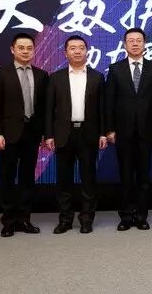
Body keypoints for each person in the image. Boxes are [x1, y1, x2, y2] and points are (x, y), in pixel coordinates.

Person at [45, 35, 107, 234]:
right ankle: (65, 219)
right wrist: (49, 135)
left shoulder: (97, 77)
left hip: (89, 134)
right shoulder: (56, 77)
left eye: (81, 47)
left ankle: (87, 219)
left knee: (88, 179)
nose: (78, 51)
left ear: (87, 51)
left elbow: (102, 109)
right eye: (73, 48)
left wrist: (103, 133)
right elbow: (49, 109)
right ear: (65, 53)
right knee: (64, 180)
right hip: (64, 134)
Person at [0, 32, 49, 237]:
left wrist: (44, 133)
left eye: (29, 48)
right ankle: (8, 221)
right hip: (8, 135)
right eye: (21, 48)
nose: (25, 51)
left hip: (32, 134)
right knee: (6, 177)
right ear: (12, 49)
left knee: (27, 178)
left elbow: (44, 108)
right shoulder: (1, 73)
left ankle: (24, 219)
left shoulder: (42, 75)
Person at [105, 28, 152, 231]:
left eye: (139, 40)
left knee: (144, 176)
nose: (135, 43)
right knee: (125, 176)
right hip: (122, 131)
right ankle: (126, 216)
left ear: (144, 43)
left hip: (147, 131)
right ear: (125, 44)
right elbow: (109, 102)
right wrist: (110, 129)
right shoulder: (115, 69)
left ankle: (141, 216)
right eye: (131, 40)